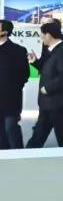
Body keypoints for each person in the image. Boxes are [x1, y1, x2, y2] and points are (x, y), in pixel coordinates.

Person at [26, 22, 63, 148]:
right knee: (38, 137)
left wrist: (48, 88)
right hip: (48, 103)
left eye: (42, 34)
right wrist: (35, 62)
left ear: (48, 35)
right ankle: (26, 156)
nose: (41, 37)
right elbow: (47, 69)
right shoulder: (50, 50)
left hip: (58, 104)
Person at [0, 20, 30, 149]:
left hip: (11, 98)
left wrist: (13, 88)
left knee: (11, 127)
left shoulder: (18, 50)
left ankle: (19, 154)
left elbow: (24, 74)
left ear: (5, 32)